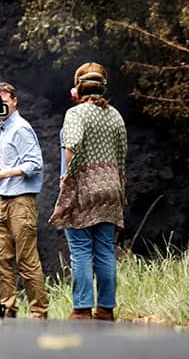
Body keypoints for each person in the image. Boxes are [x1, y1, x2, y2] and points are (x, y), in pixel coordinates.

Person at [49, 62, 127, 322]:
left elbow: (70, 145)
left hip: (84, 188)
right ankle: (105, 309)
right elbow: (122, 155)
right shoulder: (115, 115)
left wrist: (68, 176)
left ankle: (82, 309)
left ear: (77, 90)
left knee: (81, 250)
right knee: (105, 249)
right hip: (111, 188)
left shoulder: (77, 114)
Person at [0, 82, 49, 319]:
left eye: (4, 99)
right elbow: (14, 163)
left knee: (27, 259)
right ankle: (8, 309)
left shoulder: (20, 128)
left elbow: (34, 164)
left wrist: (1, 174)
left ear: (14, 100)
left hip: (22, 201)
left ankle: (39, 313)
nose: (0, 105)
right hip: (4, 200)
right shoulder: (5, 128)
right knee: (1, 257)